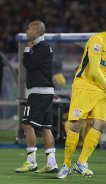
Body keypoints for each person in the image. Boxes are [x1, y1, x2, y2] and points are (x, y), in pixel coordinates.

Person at [57, 15, 106, 179]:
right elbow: (95, 70)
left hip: (101, 89)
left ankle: (81, 163)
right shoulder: (96, 40)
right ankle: (66, 164)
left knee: (100, 124)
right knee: (76, 125)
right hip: (84, 85)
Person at [15, 21, 58, 173]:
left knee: (27, 124)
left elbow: (30, 65)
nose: (27, 30)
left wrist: (27, 49)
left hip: (40, 92)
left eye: (29, 28)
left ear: (37, 31)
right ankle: (51, 162)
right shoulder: (41, 47)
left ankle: (31, 161)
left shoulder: (43, 47)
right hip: (42, 92)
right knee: (45, 128)